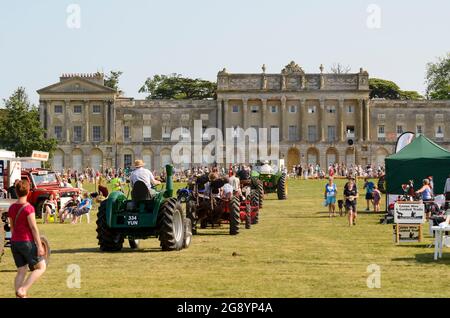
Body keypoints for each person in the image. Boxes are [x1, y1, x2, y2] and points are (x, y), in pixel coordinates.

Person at [8, 180, 46, 298]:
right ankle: (23, 290)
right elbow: (33, 228)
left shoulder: (12, 207)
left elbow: (12, 227)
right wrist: (39, 245)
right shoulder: (28, 208)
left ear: (17, 192)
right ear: (28, 191)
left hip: (14, 242)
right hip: (26, 242)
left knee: (21, 270)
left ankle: (20, 295)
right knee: (41, 267)